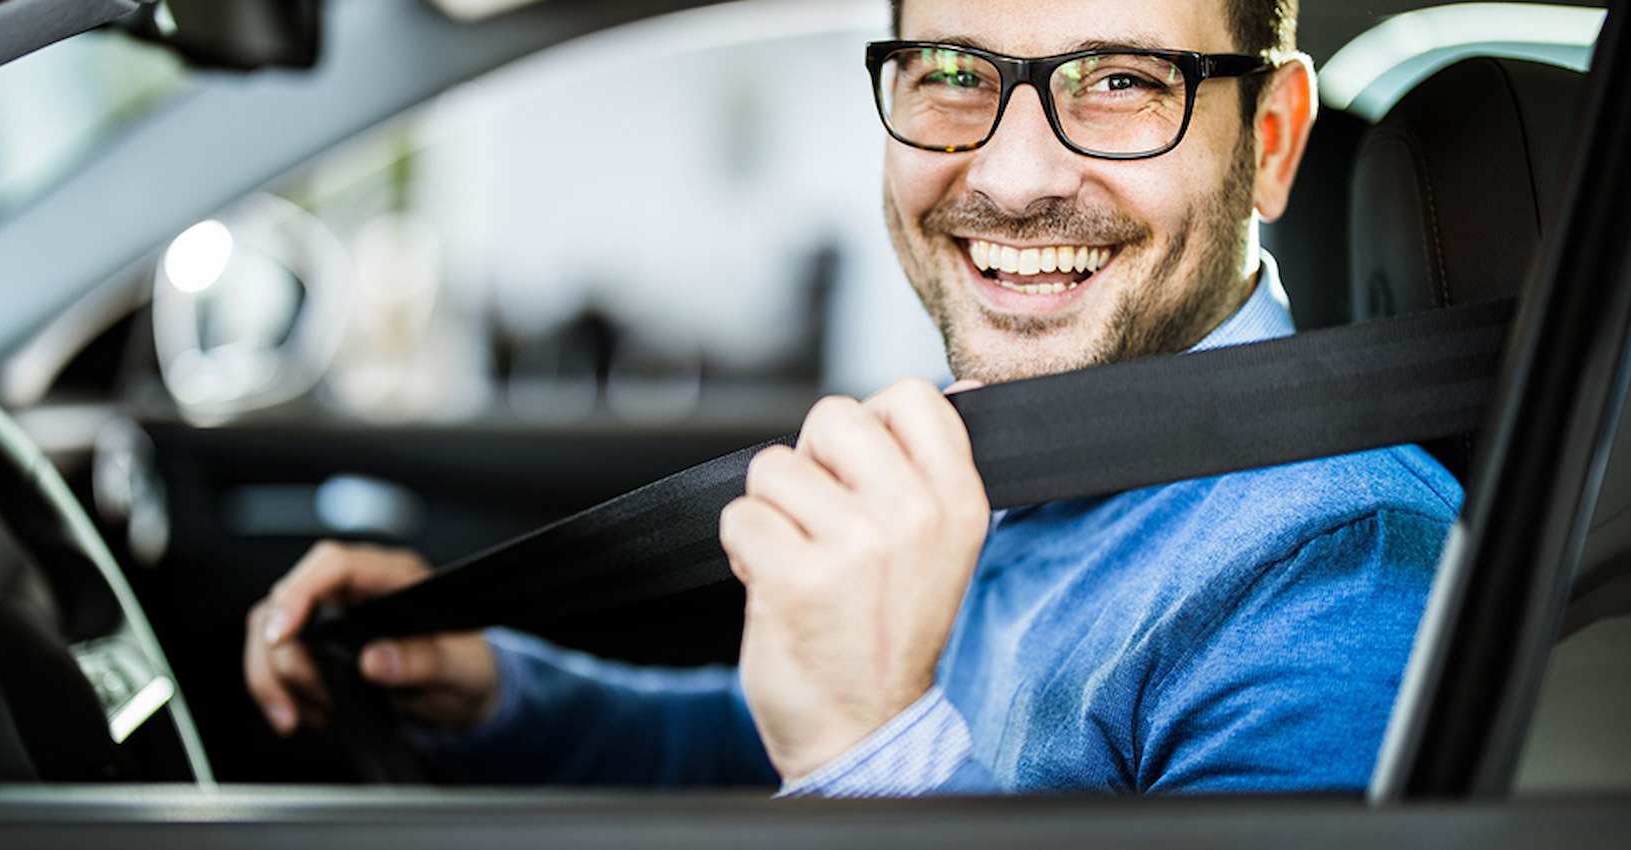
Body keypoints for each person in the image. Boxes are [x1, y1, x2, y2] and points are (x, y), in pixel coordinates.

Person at [243, 0, 1461, 796]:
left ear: (1274, 140)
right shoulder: (1034, 439)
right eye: (951, 74)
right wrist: (502, 689)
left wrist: (869, 748)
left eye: (1123, 83)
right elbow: (772, 728)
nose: (1013, 173)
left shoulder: (1336, 564)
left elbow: (861, 730)